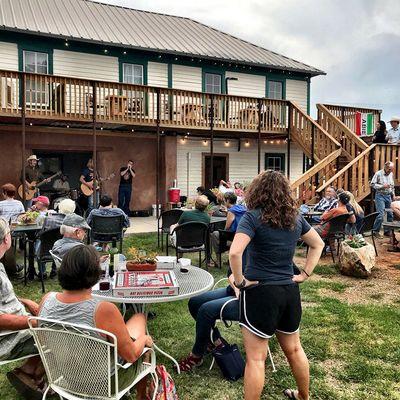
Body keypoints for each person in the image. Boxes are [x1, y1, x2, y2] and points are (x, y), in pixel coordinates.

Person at [228, 170, 324, 400]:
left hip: (260, 293)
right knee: (294, 349)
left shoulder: (252, 217)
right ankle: (303, 396)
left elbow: (235, 252)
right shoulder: (295, 218)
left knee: (256, 359)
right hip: (289, 292)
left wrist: (240, 282)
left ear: (257, 191)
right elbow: (317, 244)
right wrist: (304, 274)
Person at [39, 245, 153, 399]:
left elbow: (45, 342)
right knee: (139, 319)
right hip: (106, 383)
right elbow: (131, 356)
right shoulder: (103, 310)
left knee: (138, 319)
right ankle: (142, 396)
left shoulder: (47, 299)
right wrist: (144, 339)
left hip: (68, 379)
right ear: (95, 272)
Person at [0, 218, 45, 399]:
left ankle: (29, 371)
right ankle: (36, 374)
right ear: (6, 239)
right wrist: (35, 321)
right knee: (63, 330)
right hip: (8, 340)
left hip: (15, 330)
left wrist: (23, 300)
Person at [178, 272, 240, 372]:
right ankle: (215, 341)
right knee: (195, 302)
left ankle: (196, 356)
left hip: (248, 299)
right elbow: (231, 272)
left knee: (205, 311)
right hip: (234, 289)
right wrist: (236, 287)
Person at [35, 199, 77, 278]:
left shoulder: (49, 219)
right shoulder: (73, 222)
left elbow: (41, 234)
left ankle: (42, 272)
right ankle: (54, 271)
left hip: (45, 250)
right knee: (58, 244)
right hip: (63, 251)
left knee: (41, 245)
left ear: (60, 207)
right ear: (73, 209)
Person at [210, 192, 247, 258]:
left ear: (228, 201)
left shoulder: (231, 211)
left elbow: (227, 227)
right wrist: (227, 211)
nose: (224, 202)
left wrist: (223, 231)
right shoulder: (242, 208)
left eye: (224, 200)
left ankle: (218, 259)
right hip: (242, 233)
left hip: (232, 235)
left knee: (214, 234)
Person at [371, 161, 395, 238]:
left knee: (390, 214)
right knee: (380, 214)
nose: (390, 171)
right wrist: (382, 186)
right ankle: (375, 231)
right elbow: (372, 184)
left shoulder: (391, 174)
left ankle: (387, 231)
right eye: (389, 169)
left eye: (392, 169)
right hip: (380, 196)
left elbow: (392, 186)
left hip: (388, 196)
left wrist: (393, 195)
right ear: (385, 167)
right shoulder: (378, 174)